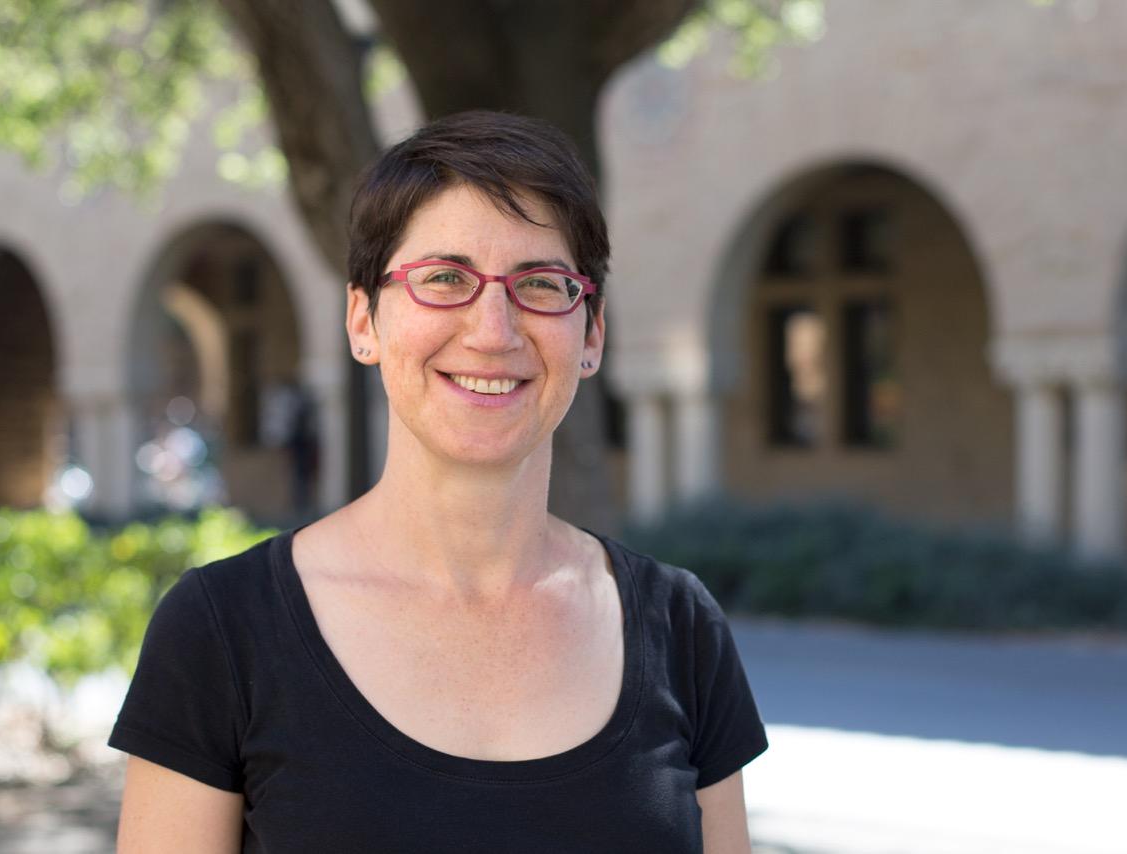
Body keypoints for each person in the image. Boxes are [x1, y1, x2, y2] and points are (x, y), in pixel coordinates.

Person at [109, 110, 767, 853]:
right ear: (364, 321)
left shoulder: (679, 629)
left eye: (542, 284)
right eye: (445, 278)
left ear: (592, 335)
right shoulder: (222, 631)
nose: (493, 330)